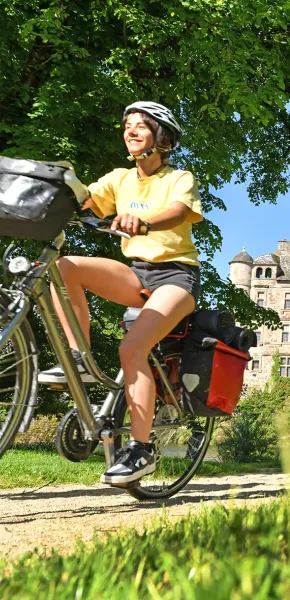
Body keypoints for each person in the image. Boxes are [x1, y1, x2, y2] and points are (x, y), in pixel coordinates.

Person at [38, 101, 202, 485]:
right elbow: (84, 200)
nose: (130, 131)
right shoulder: (120, 179)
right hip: (137, 273)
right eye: (127, 125)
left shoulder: (179, 178)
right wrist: (53, 189)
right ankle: (79, 359)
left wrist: (142, 222)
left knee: (131, 349)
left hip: (177, 277)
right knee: (64, 268)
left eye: (140, 125)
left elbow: (179, 212)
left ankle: (141, 450)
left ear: (161, 136)